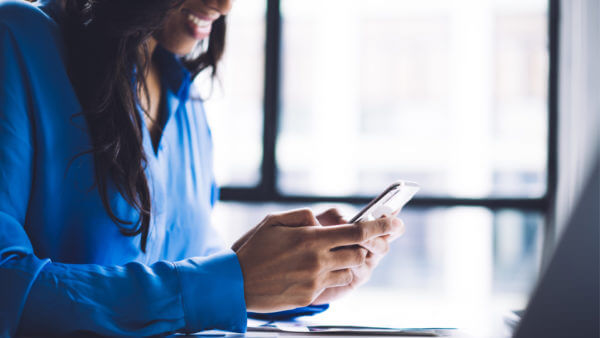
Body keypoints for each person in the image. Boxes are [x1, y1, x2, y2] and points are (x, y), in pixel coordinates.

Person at [0, 0, 405, 336]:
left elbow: (186, 266)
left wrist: (302, 277)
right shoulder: (16, 40)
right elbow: (6, 287)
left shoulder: (187, 100)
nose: (226, 5)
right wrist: (232, 283)